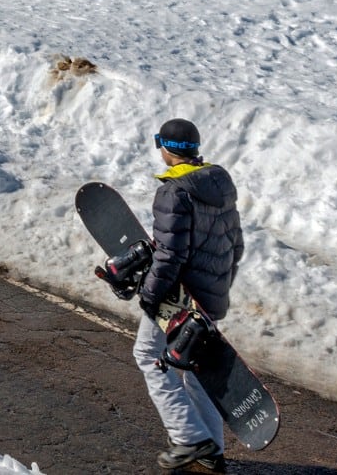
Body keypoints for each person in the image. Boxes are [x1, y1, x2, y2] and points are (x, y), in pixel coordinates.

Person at [135, 118, 244, 474]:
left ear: (165, 149)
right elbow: (236, 244)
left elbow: (169, 255)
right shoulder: (220, 182)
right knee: (197, 370)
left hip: (180, 300)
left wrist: (151, 295)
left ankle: (188, 438)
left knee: (149, 354)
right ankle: (210, 450)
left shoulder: (174, 191)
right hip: (212, 294)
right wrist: (218, 286)